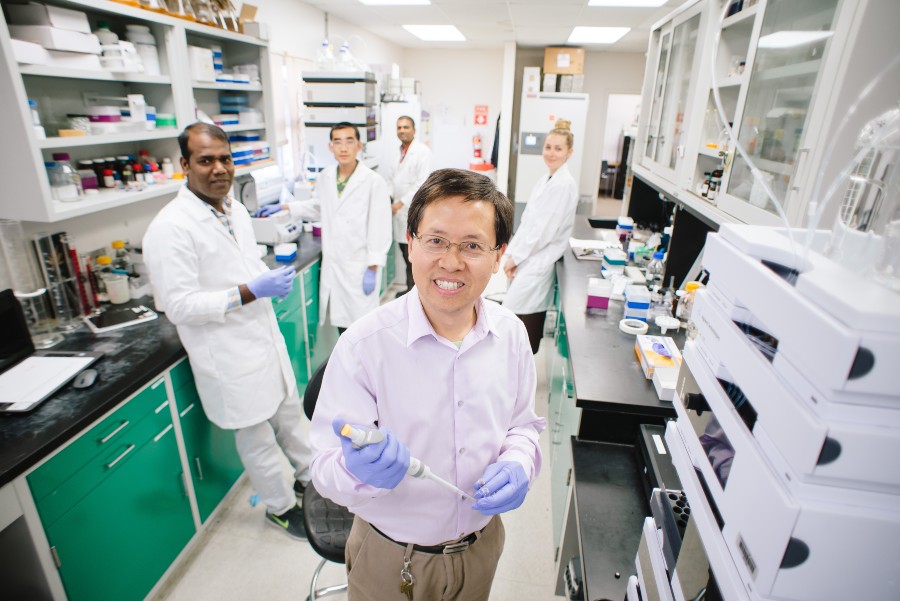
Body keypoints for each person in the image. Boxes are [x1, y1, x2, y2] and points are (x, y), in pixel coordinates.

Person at [308, 168, 547, 601]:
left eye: (472, 246)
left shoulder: (512, 336)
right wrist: (355, 470)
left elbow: (523, 426)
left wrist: (520, 463)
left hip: (480, 549)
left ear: (498, 257)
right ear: (411, 243)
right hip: (389, 556)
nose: (451, 262)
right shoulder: (365, 345)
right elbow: (323, 469)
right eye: (435, 240)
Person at [142, 122, 310, 539]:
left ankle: (313, 480)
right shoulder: (169, 228)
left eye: (225, 158)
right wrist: (249, 290)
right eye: (205, 160)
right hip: (228, 353)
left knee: (291, 417)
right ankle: (281, 507)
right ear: (185, 164)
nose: (219, 168)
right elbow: (178, 305)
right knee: (257, 439)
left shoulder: (232, 208)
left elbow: (242, 263)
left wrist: (260, 278)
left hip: (262, 339)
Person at [255, 122, 391, 334]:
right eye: (338, 142)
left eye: (349, 141)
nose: (343, 148)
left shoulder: (374, 182)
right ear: (330, 147)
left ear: (359, 146)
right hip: (335, 265)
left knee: (365, 332)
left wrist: (373, 267)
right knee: (343, 331)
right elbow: (319, 207)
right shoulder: (326, 177)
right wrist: (284, 206)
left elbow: (380, 227)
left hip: (360, 266)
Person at [503, 119, 579, 354]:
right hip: (528, 258)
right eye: (548, 147)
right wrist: (512, 255)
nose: (551, 153)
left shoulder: (563, 185)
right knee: (517, 318)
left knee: (519, 321)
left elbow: (542, 232)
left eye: (558, 148)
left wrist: (515, 258)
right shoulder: (547, 178)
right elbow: (528, 223)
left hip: (538, 261)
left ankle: (521, 376)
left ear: (569, 152)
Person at [389, 115, 432, 296]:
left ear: (414, 130)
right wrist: (389, 198)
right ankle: (410, 291)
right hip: (399, 212)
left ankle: (417, 293)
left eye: (406, 127)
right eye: (399, 127)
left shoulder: (422, 152)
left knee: (413, 256)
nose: (402, 131)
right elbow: (393, 180)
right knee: (405, 253)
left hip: (412, 210)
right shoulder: (398, 152)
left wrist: (400, 203)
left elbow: (421, 184)